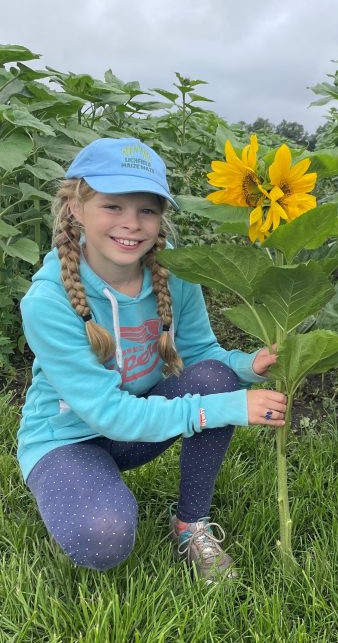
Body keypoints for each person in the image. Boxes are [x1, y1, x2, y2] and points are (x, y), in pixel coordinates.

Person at [17, 136, 287, 582]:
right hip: (66, 439)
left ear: (161, 217)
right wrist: (225, 409)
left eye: (147, 209)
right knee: (102, 537)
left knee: (217, 377)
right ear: (75, 208)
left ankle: (190, 525)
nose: (132, 223)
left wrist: (248, 366)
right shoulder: (48, 300)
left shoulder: (175, 276)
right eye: (112, 206)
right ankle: (74, 489)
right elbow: (107, 413)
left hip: (135, 429)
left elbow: (202, 356)